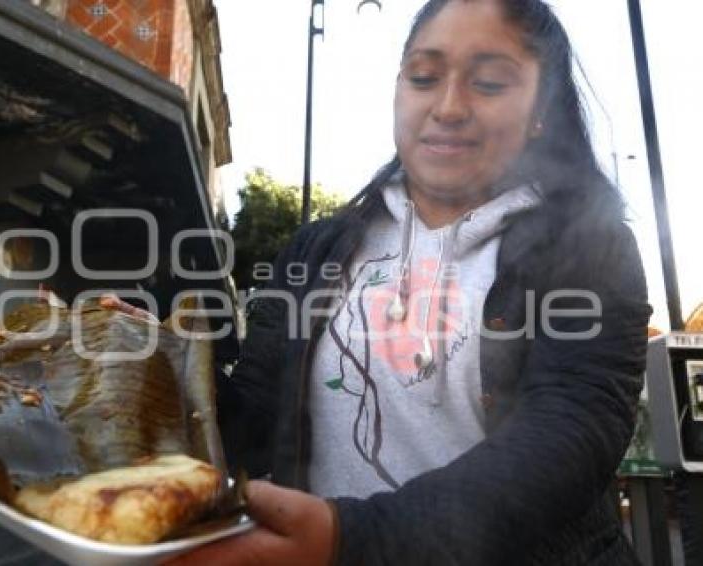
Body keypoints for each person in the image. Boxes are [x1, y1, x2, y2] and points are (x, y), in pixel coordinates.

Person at [165, 0, 652, 564]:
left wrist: (353, 538)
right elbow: (247, 421)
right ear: (399, 89)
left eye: (490, 83)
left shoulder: (589, 247)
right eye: (424, 77)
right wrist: (142, 358)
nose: (448, 107)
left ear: (542, 110)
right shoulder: (314, 251)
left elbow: (571, 434)